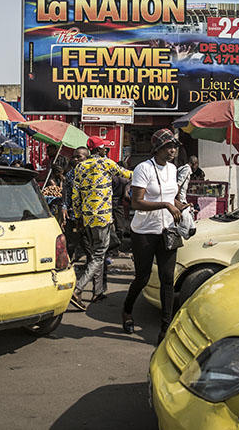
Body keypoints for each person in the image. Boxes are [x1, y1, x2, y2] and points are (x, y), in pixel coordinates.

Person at [122, 129, 188, 345]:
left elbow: (172, 197)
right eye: (169, 147)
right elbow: (136, 202)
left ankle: (165, 328)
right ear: (157, 149)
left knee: (168, 279)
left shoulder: (173, 169)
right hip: (144, 232)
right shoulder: (143, 168)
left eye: (174, 147)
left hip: (167, 231)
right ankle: (127, 311)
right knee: (142, 278)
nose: (173, 150)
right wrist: (166, 205)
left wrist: (181, 206)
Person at [70, 137, 132, 310]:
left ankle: (98, 291)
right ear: (100, 150)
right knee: (98, 255)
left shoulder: (81, 167)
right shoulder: (106, 163)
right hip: (103, 217)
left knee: (98, 253)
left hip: (87, 217)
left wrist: (78, 217)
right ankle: (78, 289)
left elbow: (75, 196)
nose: (106, 151)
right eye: (104, 148)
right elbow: (127, 174)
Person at [61, 147, 89, 261]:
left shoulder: (92, 174)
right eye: (74, 157)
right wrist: (64, 208)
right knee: (70, 243)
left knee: (88, 245)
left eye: (79, 157)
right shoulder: (70, 175)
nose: (76, 159)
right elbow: (66, 194)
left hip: (88, 217)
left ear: (87, 158)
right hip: (72, 216)